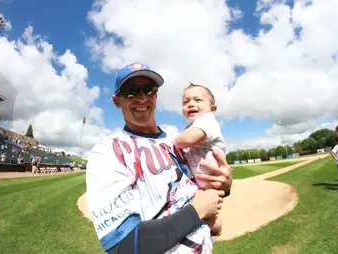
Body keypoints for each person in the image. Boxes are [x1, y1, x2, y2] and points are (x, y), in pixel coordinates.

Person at [85, 62, 232, 254]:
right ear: (116, 100)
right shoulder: (107, 153)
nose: (142, 97)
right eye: (131, 91)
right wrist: (197, 211)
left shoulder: (175, 139)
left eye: (149, 89)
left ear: (156, 95)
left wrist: (226, 185)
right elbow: (122, 246)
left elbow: (200, 182)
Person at [174, 83, 226, 236]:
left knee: (212, 221)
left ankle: (215, 230)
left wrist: (175, 141)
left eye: (198, 100)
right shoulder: (194, 125)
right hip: (201, 183)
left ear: (212, 108)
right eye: (186, 102)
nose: (191, 104)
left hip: (209, 182)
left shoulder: (207, 121)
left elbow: (185, 141)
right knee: (207, 217)